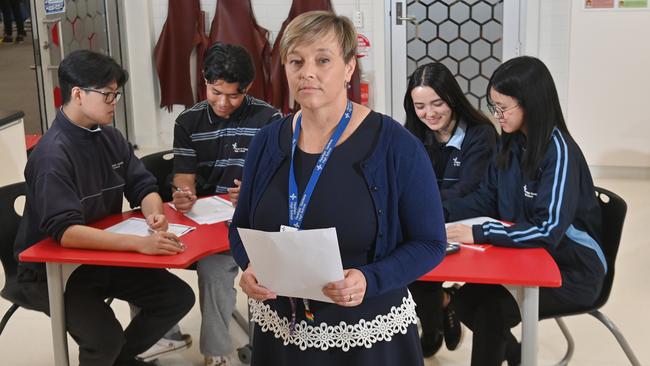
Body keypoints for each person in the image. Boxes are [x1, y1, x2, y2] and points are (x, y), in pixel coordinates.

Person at [228, 11, 447, 366]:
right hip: (282, 333)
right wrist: (249, 265)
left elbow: (430, 243)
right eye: (296, 60)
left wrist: (368, 278)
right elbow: (240, 227)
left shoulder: (395, 145)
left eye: (323, 59)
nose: (307, 72)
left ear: (348, 68)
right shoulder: (268, 141)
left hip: (367, 336)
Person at [13, 49, 195, 366]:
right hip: (53, 270)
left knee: (177, 298)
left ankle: (119, 361)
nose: (115, 103)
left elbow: (144, 187)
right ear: (78, 94)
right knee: (104, 340)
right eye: (108, 96)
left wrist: (154, 212)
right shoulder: (51, 156)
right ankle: (111, 357)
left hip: (100, 255)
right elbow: (66, 233)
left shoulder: (110, 137)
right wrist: (141, 244)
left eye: (117, 95)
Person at [443, 56, 606, 366]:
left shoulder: (560, 153)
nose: (497, 115)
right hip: (524, 259)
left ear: (531, 104)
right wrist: (437, 212)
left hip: (571, 270)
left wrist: (479, 231)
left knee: (490, 311)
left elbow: (548, 230)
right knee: (465, 303)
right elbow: (486, 198)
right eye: (494, 107)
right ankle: (518, 357)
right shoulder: (512, 144)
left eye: (503, 108)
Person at [138, 42, 280, 366]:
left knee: (215, 269)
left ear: (248, 88)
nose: (223, 102)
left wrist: (254, 191)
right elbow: (184, 177)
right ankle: (165, 334)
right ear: (204, 80)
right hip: (204, 222)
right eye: (215, 92)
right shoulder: (188, 121)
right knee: (146, 251)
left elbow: (282, 180)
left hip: (251, 221)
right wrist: (183, 195)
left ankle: (215, 352)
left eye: (234, 95)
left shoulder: (269, 118)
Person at [404, 62, 497, 357]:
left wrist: (420, 206)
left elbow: (468, 190)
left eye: (437, 103)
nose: (429, 113)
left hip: (466, 223)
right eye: (419, 106)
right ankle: (442, 305)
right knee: (405, 264)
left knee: (421, 265)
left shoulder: (480, 133)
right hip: (428, 222)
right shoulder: (412, 134)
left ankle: (435, 320)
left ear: (452, 99)